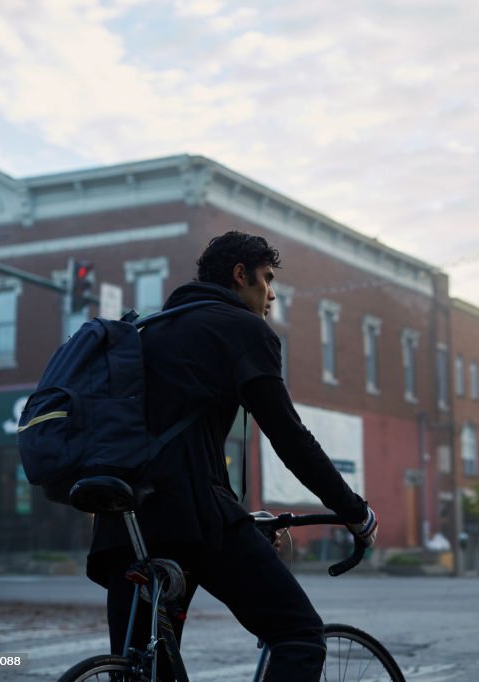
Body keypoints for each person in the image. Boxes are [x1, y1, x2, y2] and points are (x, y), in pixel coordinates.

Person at [85, 231, 378, 681]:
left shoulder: (147, 330)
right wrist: (354, 511)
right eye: (266, 279)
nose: (272, 294)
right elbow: (290, 438)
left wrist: (240, 519)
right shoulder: (242, 329)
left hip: (122, 526)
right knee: (299, 634)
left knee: (145, 671)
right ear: (240, 276)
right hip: (191, 520)